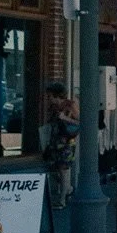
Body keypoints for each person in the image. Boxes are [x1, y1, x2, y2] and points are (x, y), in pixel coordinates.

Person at [42, 81, 80, 210]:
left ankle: (62, 200)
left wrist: (65, 118)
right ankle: (67, 188)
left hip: (67, 142)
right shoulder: (53, 108)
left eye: (50, 96)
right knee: (54, 169)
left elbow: (80, 121)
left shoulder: (70, 105)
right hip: (55, 142)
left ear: (56, 95)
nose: (49, 98)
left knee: (64, 170)